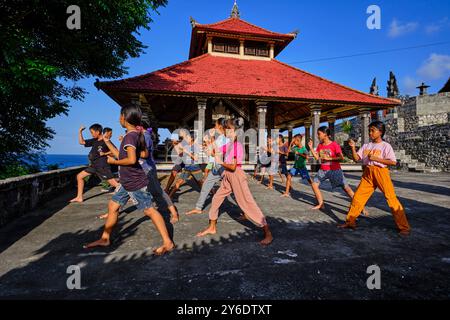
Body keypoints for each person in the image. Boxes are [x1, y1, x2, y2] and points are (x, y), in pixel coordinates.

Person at [84, 104, 174, 255]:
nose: (119, 119)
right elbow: (143, 154)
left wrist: (114, 162)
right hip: (127, 181)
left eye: (120, 116)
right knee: (113, 206)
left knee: (150, 211)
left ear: (124, 118)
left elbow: (131, 160)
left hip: (134, 182)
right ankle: (105, 238)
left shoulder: (129, 136)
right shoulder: (137, 134)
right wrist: (108, 143)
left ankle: (168, 242)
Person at [196, 118, 273, 246]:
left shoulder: (238, 146)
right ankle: (212, 227)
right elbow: (217, 150)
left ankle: (268, 232)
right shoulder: (230, 145)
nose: (227, 132)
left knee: (247, 203)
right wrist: (210, 141)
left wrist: (220, 162)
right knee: (216, 199)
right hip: (228, 177)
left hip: (236, 175)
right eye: (226, 129)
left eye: (230, 130)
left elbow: (232, 166)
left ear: (237, 132)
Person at [339, 121, 410, 235]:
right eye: (370, 130)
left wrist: (377, 159)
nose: (370, 133)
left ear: (380, 132)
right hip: (368, 172)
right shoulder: (367, 145)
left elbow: (392, 162)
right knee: (358, 198)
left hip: (381, 173)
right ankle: (350, 222)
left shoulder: (385, 146)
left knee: (391, 199)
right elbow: (357, 158)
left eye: (373, 130)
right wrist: (352, 148)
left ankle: (404, 228)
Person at [308, 127, 368, 215]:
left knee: (347, 189)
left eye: (319, 134)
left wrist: (329, 158)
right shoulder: (320, 145)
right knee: (314, 184)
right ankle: (321, 203)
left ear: (325, 134)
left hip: (335, 170)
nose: (317, 136)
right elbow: (317, 158)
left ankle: (361, 207)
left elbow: (341, 158)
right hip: (323, 170)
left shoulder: (334, 145)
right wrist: (311, 148)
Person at [185, 118, 229, 216]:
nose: (214, 127)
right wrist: (208, 144)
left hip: (224, 167)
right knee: (205, 185)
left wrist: (210, 141)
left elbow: (217, 153)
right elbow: (213, 152)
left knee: (236, 189)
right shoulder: (220, 138)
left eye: (216, 125)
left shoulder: (226, 138)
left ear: (220, 126)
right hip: (215, 166)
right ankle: (198, 207)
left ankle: (246, 212)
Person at [139, 122, 179, 224]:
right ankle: (113, 211)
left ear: (139, 127)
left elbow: (145, 154)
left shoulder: (145, 137)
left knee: (159, 191)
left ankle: (174, 213)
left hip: (147, 168)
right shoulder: (143, 136)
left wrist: (132, 151)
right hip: (140, 168)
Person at [70, 124, 119, 203]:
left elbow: (115, 151)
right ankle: (79, 197)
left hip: (102, 166)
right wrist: (80, 132)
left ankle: (131, 194)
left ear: (98, 132)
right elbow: (81, 142)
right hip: (93, 166)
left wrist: (105, 153)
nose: (91, 134)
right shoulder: (94, 140)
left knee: (114, 184)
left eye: (92, 132)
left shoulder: (106, 140)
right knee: (79, 176)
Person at [168, 130, 204, 199]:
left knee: (202, 183)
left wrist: (187, 152)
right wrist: (175, 145)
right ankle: (169, 197)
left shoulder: (196, 147)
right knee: (179, 182)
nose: (186, 139)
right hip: (187, 168)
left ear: (192, 138)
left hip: (195, 168)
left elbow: (196, 158)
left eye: (187, 138)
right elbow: (180, 154)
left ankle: (212, 193)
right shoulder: (186, 145)